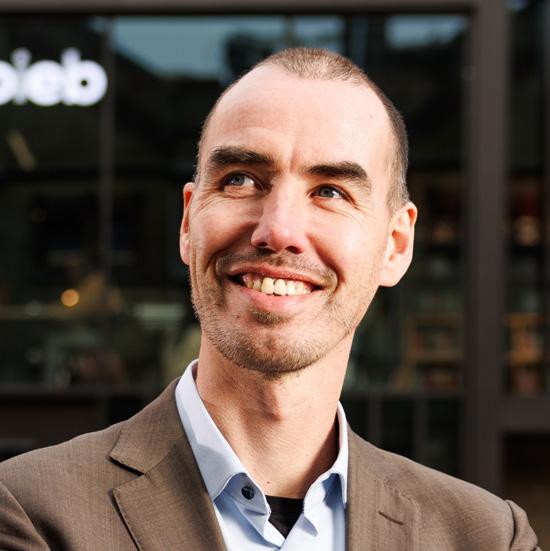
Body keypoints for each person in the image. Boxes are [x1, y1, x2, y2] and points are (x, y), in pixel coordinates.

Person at [0, 48, 539, 551]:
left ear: (395, 246)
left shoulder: (487, 537)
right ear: (188, 222)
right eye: (240, 180)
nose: (278, 230)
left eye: (330, 191)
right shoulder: (32, 511)